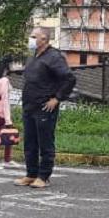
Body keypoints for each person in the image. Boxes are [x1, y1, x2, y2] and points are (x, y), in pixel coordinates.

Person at [15, 28, 76, 189]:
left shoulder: (54, 57)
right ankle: (31, 174)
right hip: (29, 106)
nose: (31, 39)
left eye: (34, 36)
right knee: (30, 142)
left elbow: (69, 79)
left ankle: (44, 176)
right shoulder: (33, 57)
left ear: (44, 39)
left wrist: (57, 98)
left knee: (45, 142)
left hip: (44, 107)